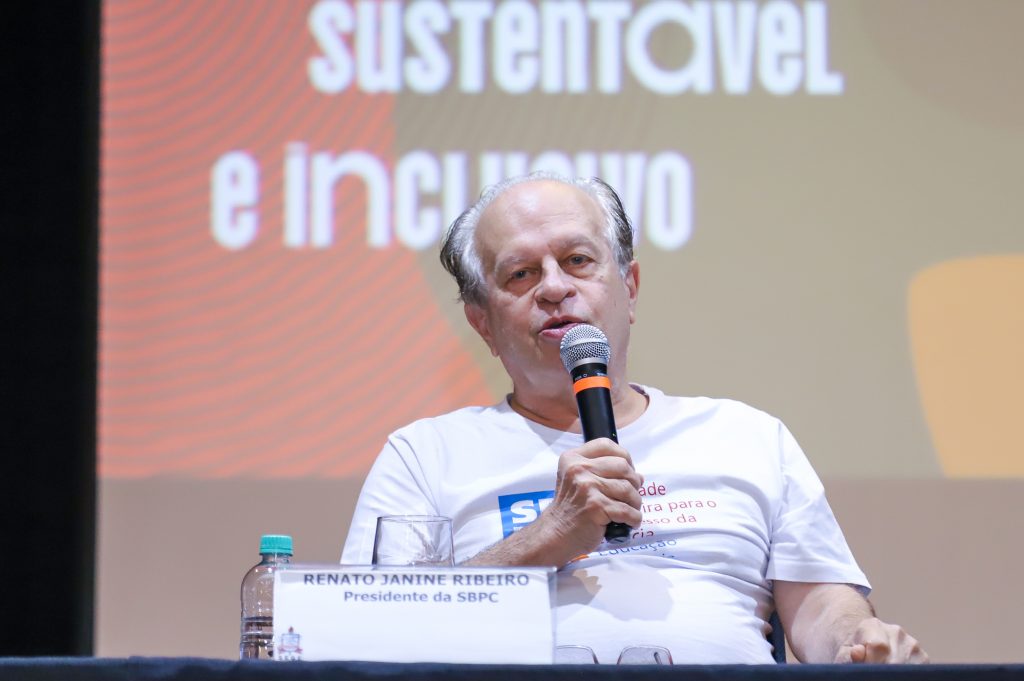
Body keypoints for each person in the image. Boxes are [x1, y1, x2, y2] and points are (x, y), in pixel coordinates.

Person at [342, 173, 928, 664]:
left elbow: (822, 604)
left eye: (577, 260)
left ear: (630, 286)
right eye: (520, 273)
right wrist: (547, 539)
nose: (553, 287)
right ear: (482, 324)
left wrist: (858, 641)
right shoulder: (425, 455)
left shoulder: (744, 436)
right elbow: (375, 635)